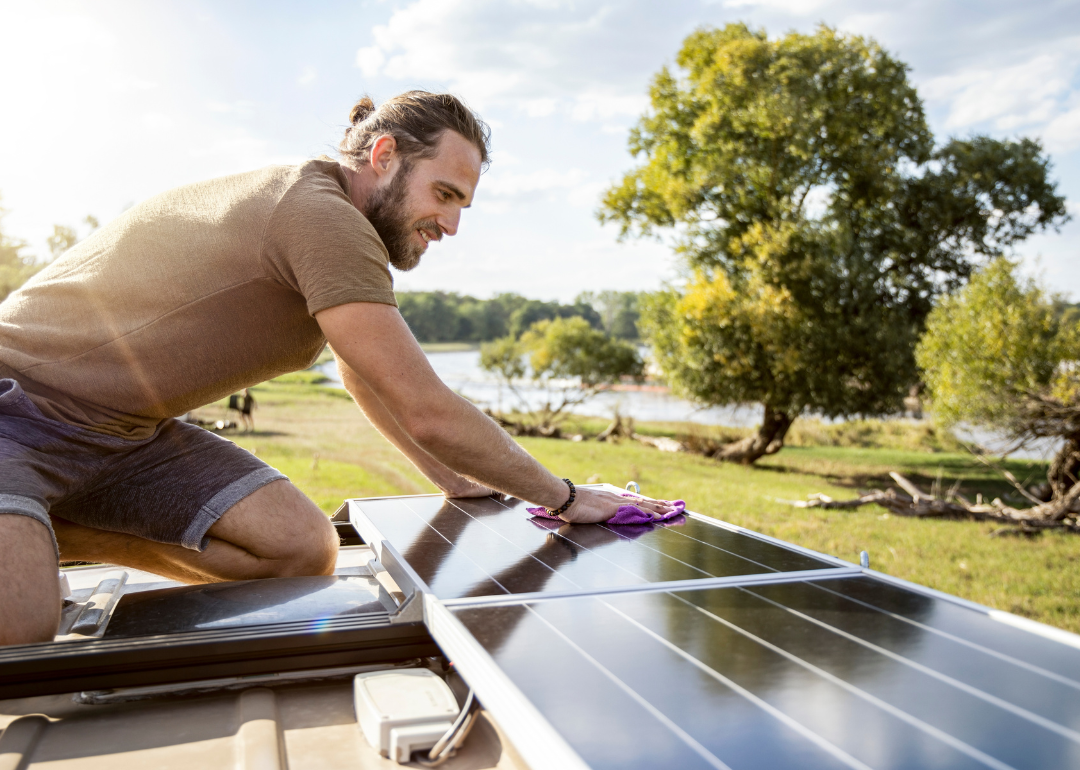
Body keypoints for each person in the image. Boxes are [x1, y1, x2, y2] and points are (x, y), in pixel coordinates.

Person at [0, 91, 674, 646]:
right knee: (23, 630)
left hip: (121, 435)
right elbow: (426, 407)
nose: (450, 224)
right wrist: (561, 495)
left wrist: (452, 479)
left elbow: (361, 375)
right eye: (443, 194)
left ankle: (40, 520)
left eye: (462, 205)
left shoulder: (335, 226)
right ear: (384, 157)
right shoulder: (321, 217)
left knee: (298, 548)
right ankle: (23, 525)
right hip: (17, 406)